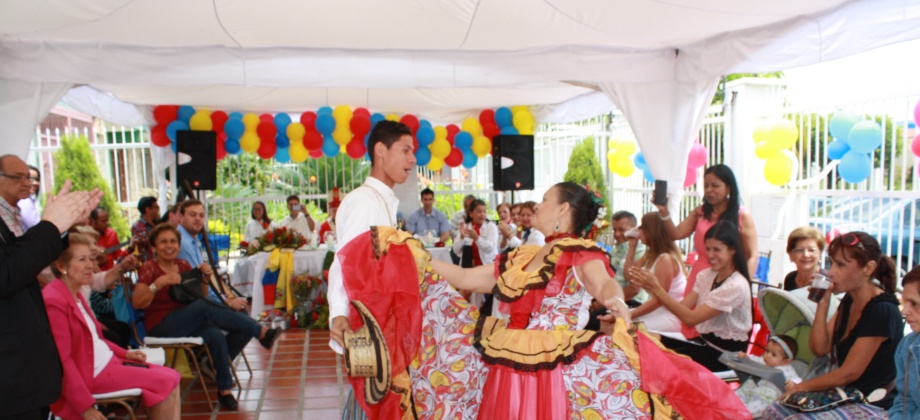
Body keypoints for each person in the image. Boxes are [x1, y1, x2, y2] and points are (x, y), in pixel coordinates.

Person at [426, 182, 644, 417]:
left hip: (552, 371)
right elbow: (465, 277)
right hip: (509, 364)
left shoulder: (581, 252)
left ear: (562, 209)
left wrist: (616, 301)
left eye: (544, 199)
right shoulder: (524, 256)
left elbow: (604, 283)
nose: (538, 206)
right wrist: (418, 256)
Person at [133, 223, 281, 410]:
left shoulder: (183, 265)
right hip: (161, 325)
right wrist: (159, 283)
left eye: (173, 241)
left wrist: (204, 279)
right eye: (163, 242)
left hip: (187, 319)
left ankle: (224, 389)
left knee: (218, 331)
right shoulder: (149, 267)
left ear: (179, 246)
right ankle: (261, 332)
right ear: (154, 247)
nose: (169, 245)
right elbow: (138, 302)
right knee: (209, 310)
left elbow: (198, 296)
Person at [43, 233, 180, 420]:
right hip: (92, 374)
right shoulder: (54, 299)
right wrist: (85, 407)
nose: (90, 265)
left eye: (91, 259)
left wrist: (124, 353)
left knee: (172, 377)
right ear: (61, 267)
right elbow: (63, 362)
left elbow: (96, 338)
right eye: (82, 259)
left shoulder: (76, 293)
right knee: (167, 380)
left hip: (108, 362)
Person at [766, 231, 903, 414]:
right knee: (774, 410)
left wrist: (801, 386)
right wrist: (823, 304)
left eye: (841, 265)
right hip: (843, 395)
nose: (831, 272)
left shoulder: (881, 310)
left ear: (868, 269)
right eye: (832, 263)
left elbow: (848, 373)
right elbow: (820, 348)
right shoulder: (849, 300)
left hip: (871, 401)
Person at [0, 172, 101, 420]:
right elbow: (7, 274)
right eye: (16, 176)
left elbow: (20, 256)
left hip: (23, 372)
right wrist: (50, 226)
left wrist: (60, 228)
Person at [329, 120, 416, 351]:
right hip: (365, 322)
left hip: (379, 320)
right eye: (406, 150)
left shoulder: (381, 199)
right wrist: (339, 313)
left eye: (413, 152)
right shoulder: (365, 202)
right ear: (381, 151)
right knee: (371, 386)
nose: (412, 159)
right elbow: (345, 261)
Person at [630, 220, 753, 371]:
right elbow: (682, 308)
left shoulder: (736, 285)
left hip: (724, 356)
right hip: (703, 344)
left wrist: (657, 289)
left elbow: (690, 319)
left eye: (717, 250)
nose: (710, 255)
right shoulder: (707, 275)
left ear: (733, 250)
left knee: (650, 344)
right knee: (642, 337)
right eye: (708, 249)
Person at [654, 164, 758, 338]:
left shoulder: (742, 215)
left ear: (728, 187)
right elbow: (676, 233)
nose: (709, 190)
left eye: (715, 185)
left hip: (727, 276)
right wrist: (664, 212)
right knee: (689, 325)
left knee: (713, 326)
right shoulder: (700, 212)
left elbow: (752, 254)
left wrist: (742, 281)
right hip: (701, 273)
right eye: (706, 186)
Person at [624, 212, 685, 334]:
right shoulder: (651, 254)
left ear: (650, 231)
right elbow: (629, 276)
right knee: (618, 322)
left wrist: (627, 314)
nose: (638, 231)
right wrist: (632, 246)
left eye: (642, 228)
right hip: (658, 310)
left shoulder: (665, 259)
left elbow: (658, 300)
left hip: (671, 315)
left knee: (624, 326)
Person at [734, 335, 802, 417]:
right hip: (755, 387)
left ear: (786, 361)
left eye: (773, 355)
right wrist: (745, 358)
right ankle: (729, 405)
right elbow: (754, 361)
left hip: (768, 395)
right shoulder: (764, 361)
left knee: (759, 405)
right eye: (767, 351)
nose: (767, 356)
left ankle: (741, 414)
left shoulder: (786, 370)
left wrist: (793, 384)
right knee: (742, 391)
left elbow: (797, 380)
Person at [890, 265, 920, 419]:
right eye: (904, 302)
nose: (904, 311)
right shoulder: (907, 346)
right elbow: (905, 401)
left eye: (914, 303)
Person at [611, 210, 646, 305]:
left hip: (632, 303)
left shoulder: (641, 251)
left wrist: (602, 303)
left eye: (621, 230)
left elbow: (634, 289)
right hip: (613, 299)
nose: (617, 234)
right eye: (614, 230)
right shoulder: (615, 250)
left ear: (634, 229)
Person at [782, 226, 826, 291]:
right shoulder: (790, 279)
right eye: (800, 250)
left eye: (811, 250)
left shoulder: (826, 281)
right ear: (791, 255)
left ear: (820, 253)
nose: (806, 255)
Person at [131, 196, 160, 262]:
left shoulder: (159, 222)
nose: (158, 210)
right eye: (156, 207)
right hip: (148, 263)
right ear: (148, 210)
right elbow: (151, 241)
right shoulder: (137, 226)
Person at [18, 164, 41, 231]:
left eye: (37, 179)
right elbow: (37, 227)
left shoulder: (28, 200)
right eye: (31, 179)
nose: (36, 183)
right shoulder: (24, 201)